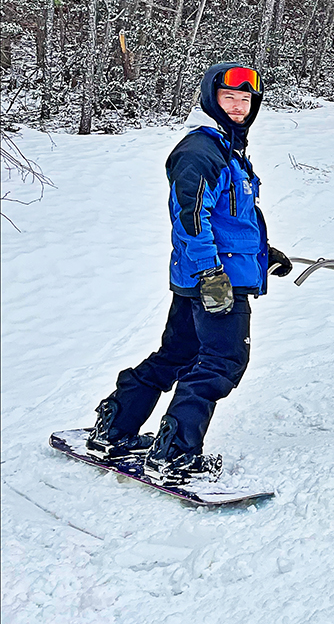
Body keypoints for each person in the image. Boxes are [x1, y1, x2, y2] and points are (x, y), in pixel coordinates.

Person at [84, 62, 292, 484]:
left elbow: (231, 219)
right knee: (222, 361)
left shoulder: (227, 149)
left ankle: (115, 426)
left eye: (245, 100)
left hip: (212, 272)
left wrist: (261, 254)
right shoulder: (201, 150)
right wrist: (210, 273)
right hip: (215, 280)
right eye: (229, 98)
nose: (238, 106)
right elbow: (191, 217)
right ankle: (176, 453)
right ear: (211, 99)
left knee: (178, 355)